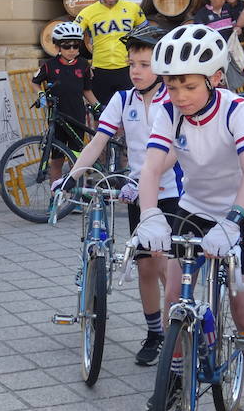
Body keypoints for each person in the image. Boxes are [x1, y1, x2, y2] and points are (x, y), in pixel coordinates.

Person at [132, 25, 244, 411]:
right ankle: (175, 376)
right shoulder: (169, 111)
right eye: (172, 85)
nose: (179, 95)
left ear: (215, 77)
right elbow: (151, 168)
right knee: (175, 291)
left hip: (239, 211)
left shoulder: (236, 110)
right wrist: (151, 214)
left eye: (189, 85)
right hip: (193, 209)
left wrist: (234, 221)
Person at [59, 22, 183, 367]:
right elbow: (98, 141)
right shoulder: (123, 98)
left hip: (171, 191)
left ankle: (182, 331)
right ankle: (156, 333)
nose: (136, 71)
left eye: (145, 65)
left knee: (165, 266)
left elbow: (175, 149)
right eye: (132, 64)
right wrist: (71, 177)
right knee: (145, 267)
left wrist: (147, 178)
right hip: (138, 193)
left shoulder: (172, 99)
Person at [32, 22, 100, 184]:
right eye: (66, 46)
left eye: (75, 46)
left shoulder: (83, 65)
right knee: (56, 162)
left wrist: (98, 106)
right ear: (57, 47)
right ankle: (54, 200)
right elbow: (34, 82)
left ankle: (75, 199)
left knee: (76, 161)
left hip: (77, 116)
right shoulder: (49, 66)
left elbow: (86, 90)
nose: (71, 50)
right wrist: (41, 94)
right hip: (57, 117)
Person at [76, 0, 145, 105]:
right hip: (100, 71)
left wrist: (139, 60)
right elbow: (70, 36)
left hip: (127, 69)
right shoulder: (88, 12)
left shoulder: (133, 9)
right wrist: (82, 64)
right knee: (101, 115)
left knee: (130, 113)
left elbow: (147, 35)